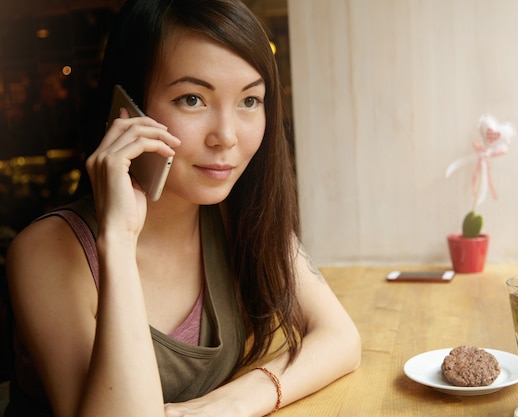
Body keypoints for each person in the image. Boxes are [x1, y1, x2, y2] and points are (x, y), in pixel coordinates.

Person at [4, 1, 361, 416]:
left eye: (249, 100)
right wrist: (118, 239)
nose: (226, 137)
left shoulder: (232, 213)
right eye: (192, 98)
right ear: (127, 109)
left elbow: (341, 338)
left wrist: (229, 404)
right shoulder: (45, 251)